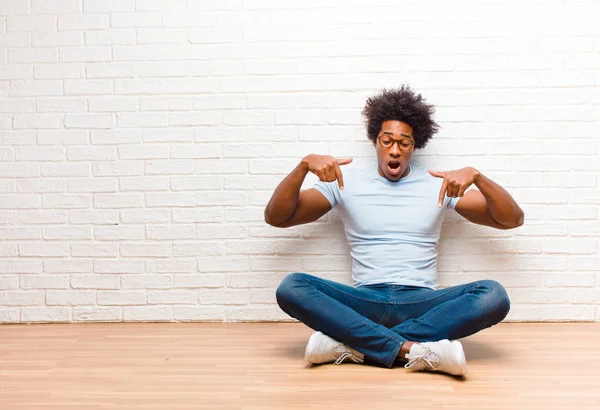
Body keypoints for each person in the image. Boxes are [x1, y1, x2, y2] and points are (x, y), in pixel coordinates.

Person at [264, 85, 524, 377]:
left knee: (493, 296)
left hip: (421, 303)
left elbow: (511, 219)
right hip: (364, 301)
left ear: (415, 146)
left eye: (405, 143)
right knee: (291, 287)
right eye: (387, 141)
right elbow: (277, 217)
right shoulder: (343, 181)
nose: (395, 150)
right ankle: (411, 350)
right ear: (375, 141)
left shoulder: (440, 184)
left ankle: (356, 345)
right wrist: (302, 167)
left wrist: (478, 177)